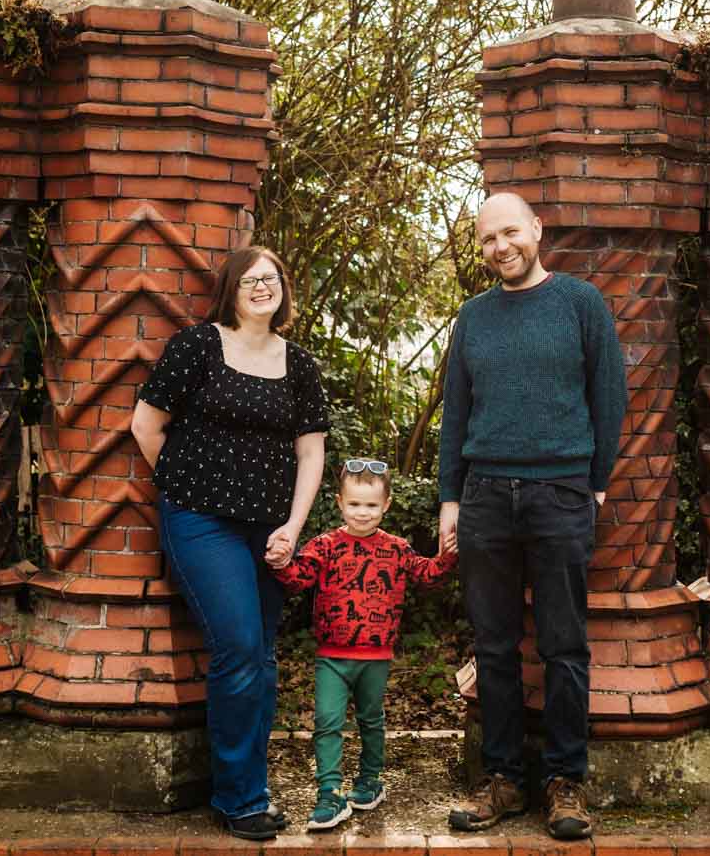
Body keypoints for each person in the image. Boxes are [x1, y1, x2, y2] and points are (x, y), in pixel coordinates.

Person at [437, 192, 628, 840]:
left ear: (536, 230)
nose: (500, 247)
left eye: (509, 232)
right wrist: (450, 500)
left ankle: (565, 782)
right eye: (488, 239)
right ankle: (502, 778)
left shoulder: (580, 304)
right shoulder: (473, 316)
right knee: (493, 645)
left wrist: (594, 485)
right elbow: (455, 414)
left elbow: (609, 396)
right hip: (485, 497)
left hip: (560, 494)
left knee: (562, 645)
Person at [131, 245, 330, 841]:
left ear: (283, 288)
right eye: (250, 280)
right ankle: (239, 799)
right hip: (203, 524)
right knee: (240, 648)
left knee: (261, 658)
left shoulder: (299, 363)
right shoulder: (198, 346)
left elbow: (311, 452)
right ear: (231, 290)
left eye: (271, 277)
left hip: (269, 529)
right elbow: (146, 425)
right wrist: (185, 487)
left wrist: (293, 527)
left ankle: (250, 788)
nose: (262, 287)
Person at [269, 457, 458, 831]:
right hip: (332, 657)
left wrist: (448, 556)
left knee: (371, 720)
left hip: (376, 656)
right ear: (340, 502)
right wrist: (279, 562)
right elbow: (297, 579)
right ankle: (329, 794)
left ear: (386, 505)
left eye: (371, 505)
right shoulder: (325, 546)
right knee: (327, 722)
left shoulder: (397, 549)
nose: (362, 512)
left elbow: (428, 575)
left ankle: (370, 781)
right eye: (354, 503)